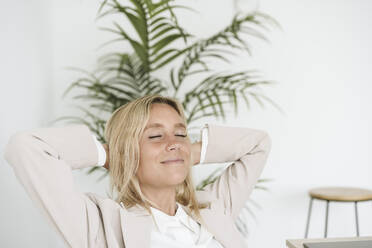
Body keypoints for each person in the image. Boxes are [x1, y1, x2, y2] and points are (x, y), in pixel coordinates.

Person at [4, 95, 271, 248]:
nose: (174, 142)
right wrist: (113, 155)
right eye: (155, 136)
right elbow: (25, 147)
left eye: (180, 133)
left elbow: (258, 144)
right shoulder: (100, 224)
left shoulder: (213, 208)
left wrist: (186, 151)